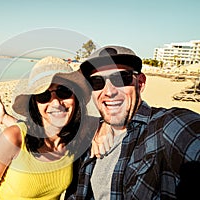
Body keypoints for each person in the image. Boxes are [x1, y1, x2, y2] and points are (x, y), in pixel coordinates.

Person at [64, 45, 200, 199]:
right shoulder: (89, 133)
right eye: (97, 82)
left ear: (140, 83)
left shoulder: (165, 127)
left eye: (121, 78)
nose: (109, 92)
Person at [0, 56, 109, 200]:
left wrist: (103, 128)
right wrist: (5, 119)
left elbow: (112, 121)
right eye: (44, 95)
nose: (56, 102)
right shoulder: (13, 137)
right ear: (35, 104)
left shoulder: (77, 136)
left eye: (63, 91)